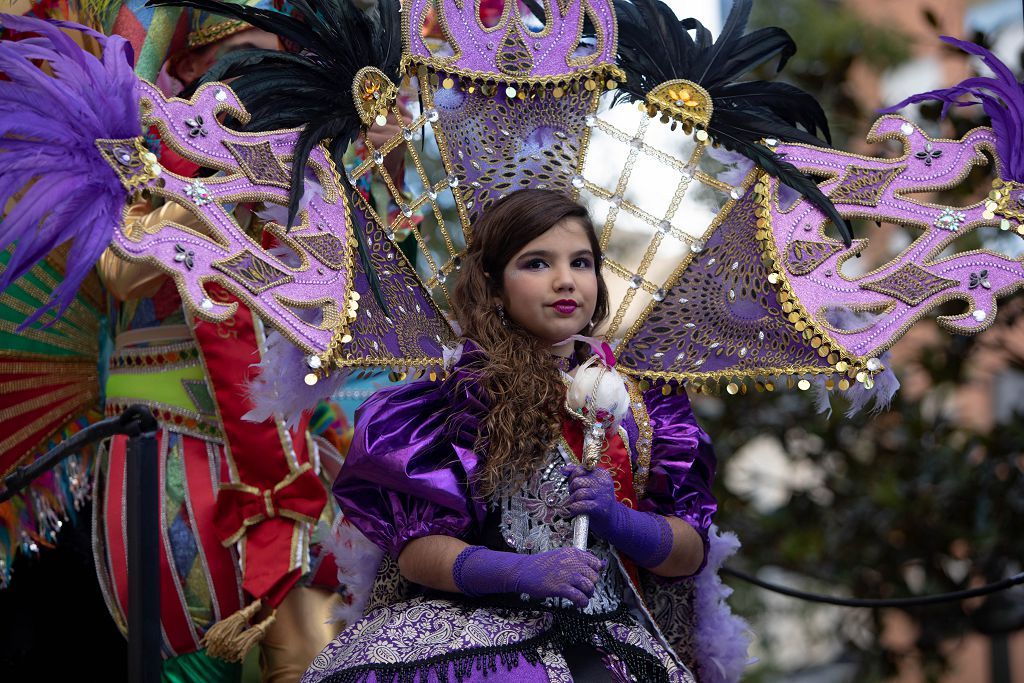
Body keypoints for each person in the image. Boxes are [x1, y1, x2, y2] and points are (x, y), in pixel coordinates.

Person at [303, 189, 717, 683]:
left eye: (581, 262)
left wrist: (618, 521)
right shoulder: (456, 396)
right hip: (476, 645)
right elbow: (417, 555)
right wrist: (520, 573)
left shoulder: (650, 407)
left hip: (614, 648)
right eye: (537, 263)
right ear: (494, 287)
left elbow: (689, 552)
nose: (566, 280)